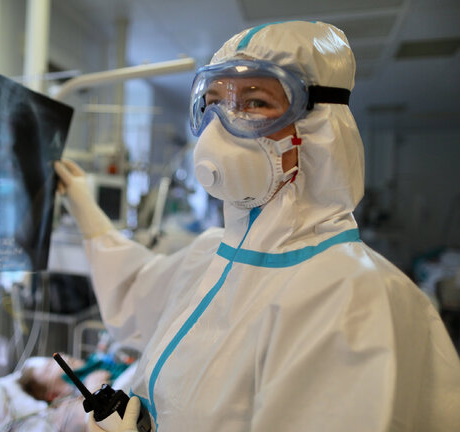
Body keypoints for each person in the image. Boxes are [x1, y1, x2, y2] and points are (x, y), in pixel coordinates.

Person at [54, 21, 460, 431]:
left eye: (254, 103)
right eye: (212, 103)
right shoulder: (212, 256)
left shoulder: (353, 297)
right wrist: (84, 207)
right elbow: (137, 290)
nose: (220, 125)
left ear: (318, 127)